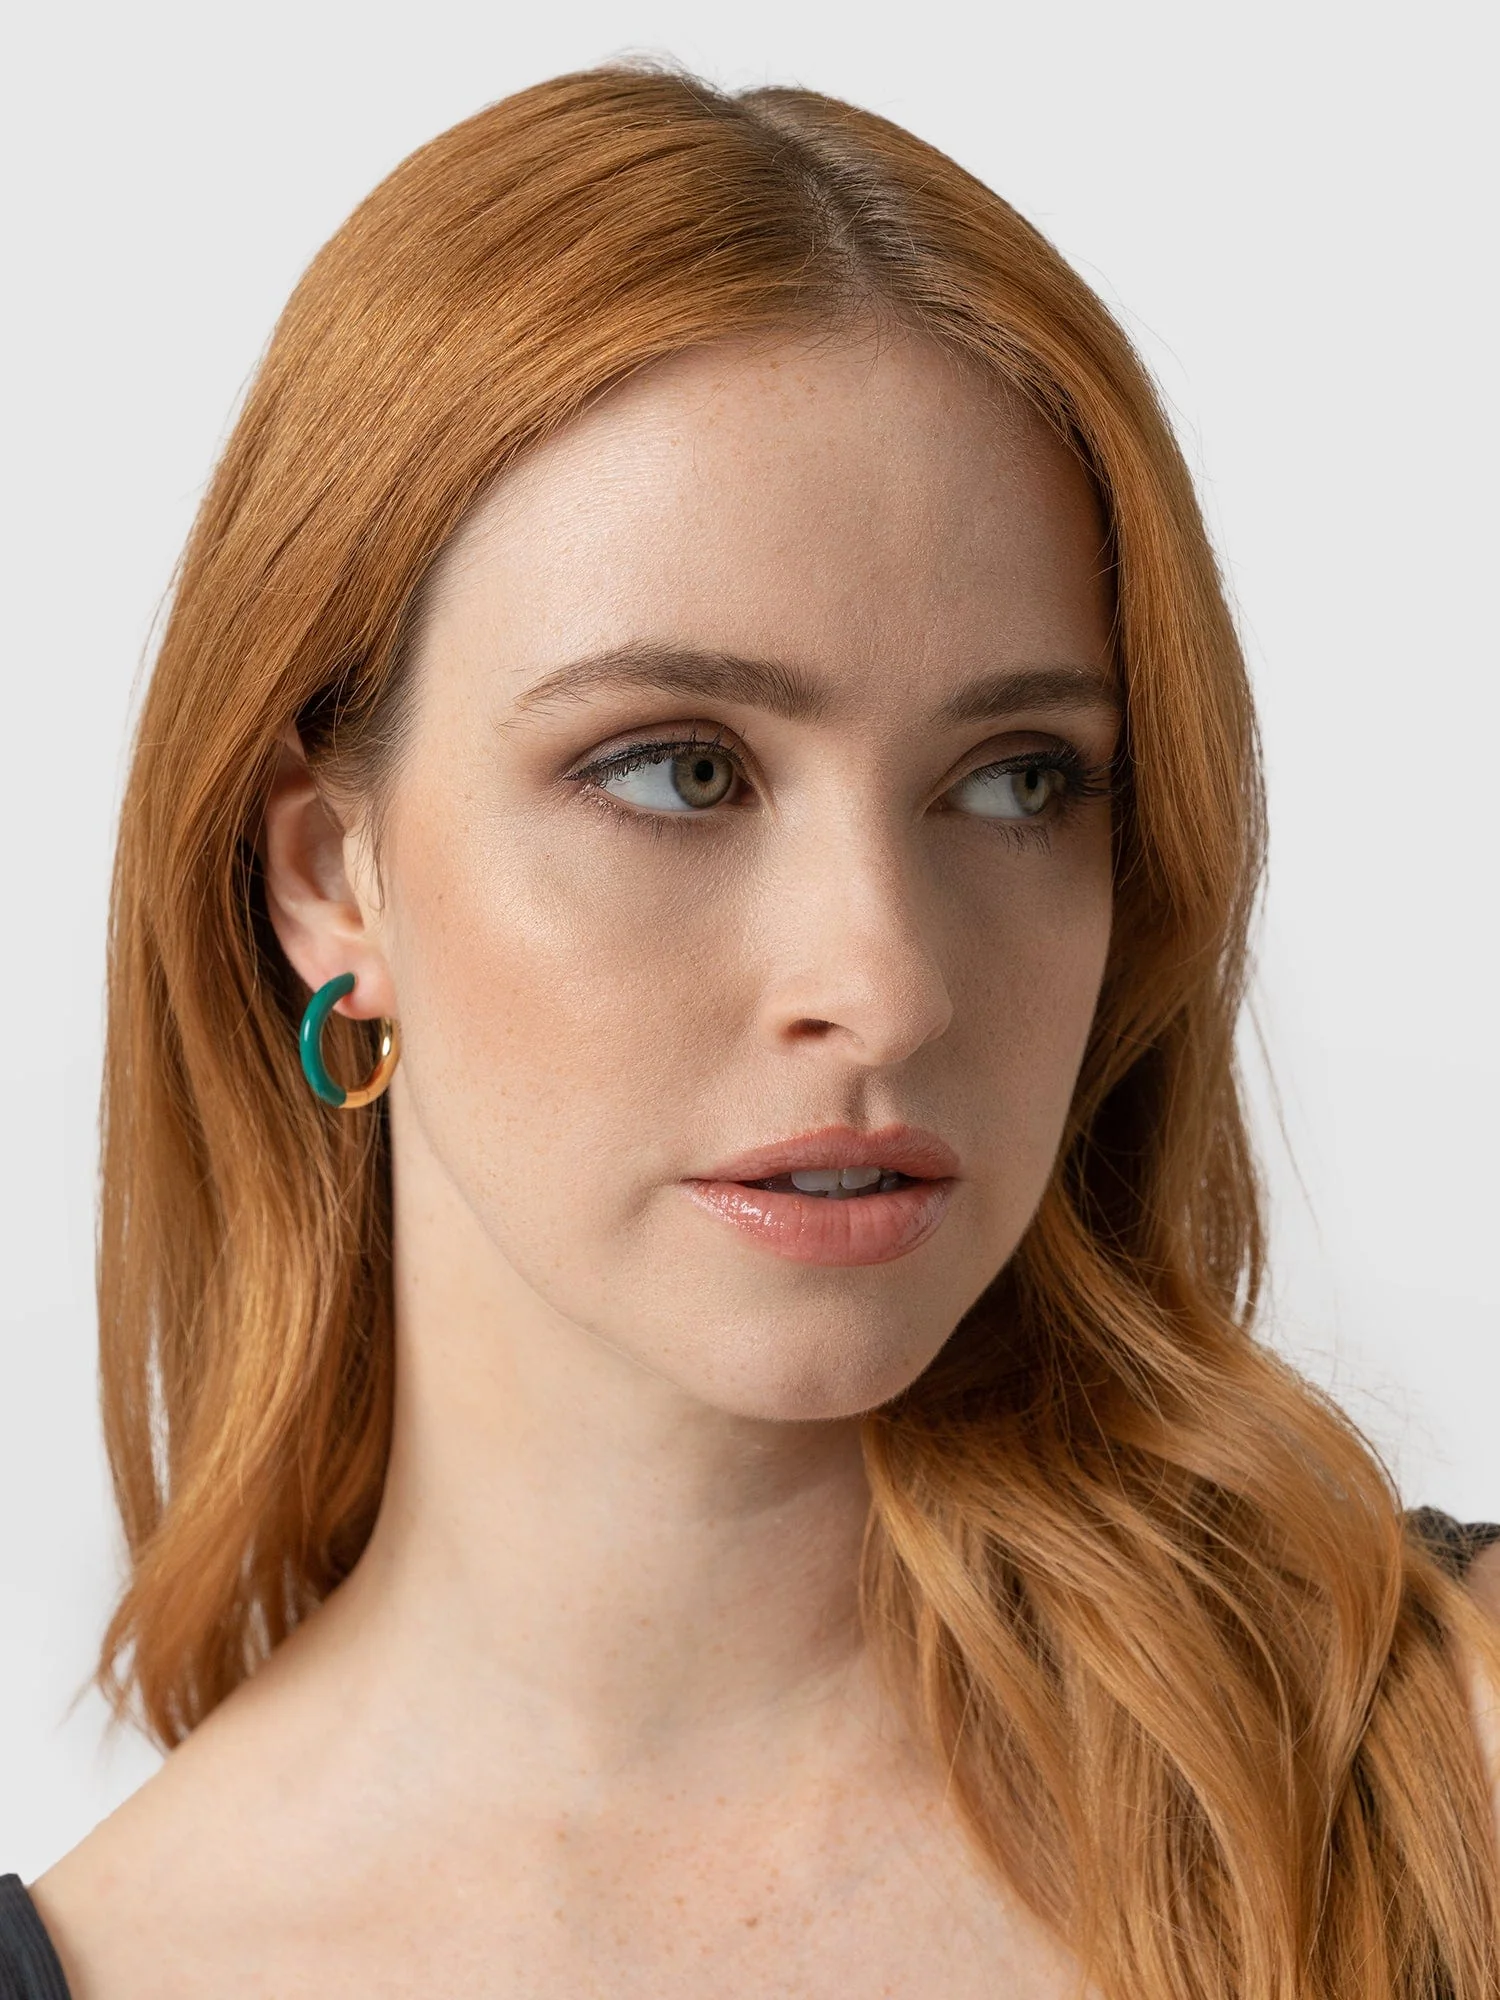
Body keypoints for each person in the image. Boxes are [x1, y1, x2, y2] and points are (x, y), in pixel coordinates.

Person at [3, 61, 1496, 2000]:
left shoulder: (1444, 1782)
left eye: (1019, 780)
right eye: (681, 769)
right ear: (328, 878)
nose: (887, 985)